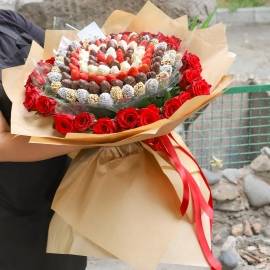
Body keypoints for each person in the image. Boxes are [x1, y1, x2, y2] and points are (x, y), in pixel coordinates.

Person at [0, 10, 87, 270]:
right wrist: (88, 139)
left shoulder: (9, 21)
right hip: (10, 210)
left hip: (58, 193)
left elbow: (66, 60)